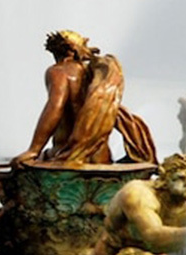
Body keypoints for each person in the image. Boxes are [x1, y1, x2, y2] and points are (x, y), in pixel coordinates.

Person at [13, 30, 156, 167]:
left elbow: (55, 107)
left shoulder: (58, 71)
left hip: (67, 156)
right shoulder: (94, 75)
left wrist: (34, 150)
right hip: (100, 157)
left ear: (69, 50)